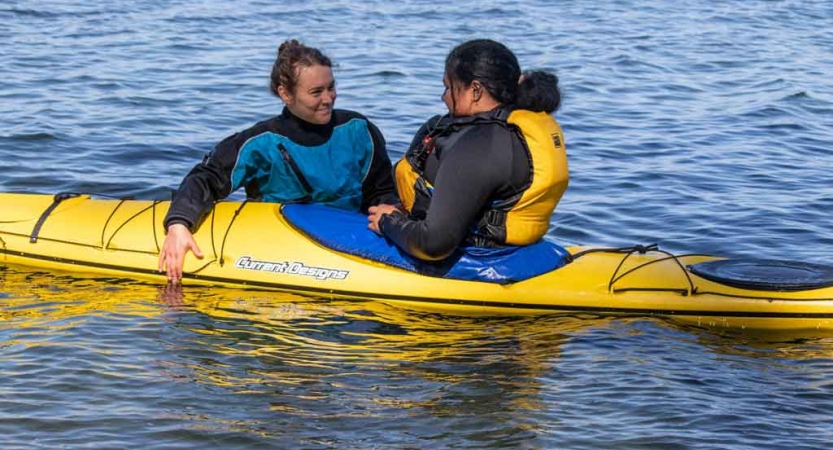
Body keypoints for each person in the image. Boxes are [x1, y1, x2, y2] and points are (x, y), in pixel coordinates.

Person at [159, 39, 398, 282]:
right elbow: (206, 178)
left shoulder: (358, 130)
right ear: (285, 93)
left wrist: (390, 210)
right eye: (316, 92)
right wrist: (179, 224)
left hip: (350, 241)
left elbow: (381, 189)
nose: (328, 98)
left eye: (331, 87)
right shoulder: (260, 142)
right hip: (283, 244)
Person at [367, 39, 568, 261]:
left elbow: (434, 245)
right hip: (518, 250)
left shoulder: (479, 143)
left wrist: (389, 222)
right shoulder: (516, 127)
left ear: (475, 90)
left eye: (448, 87)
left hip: (478, 257)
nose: (443, 97)